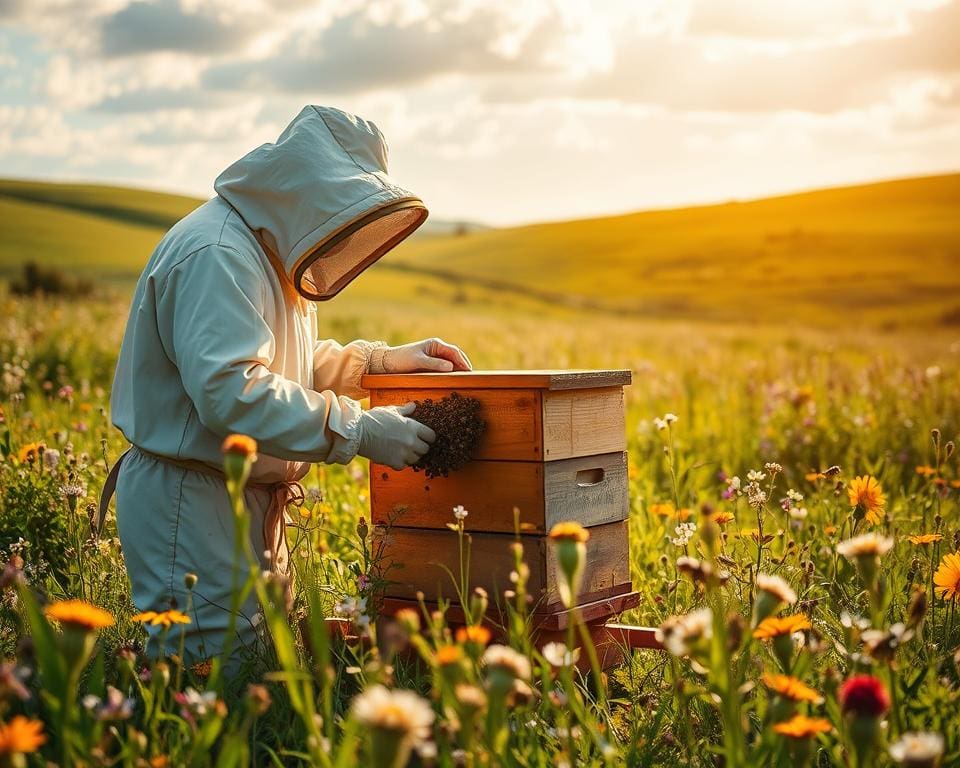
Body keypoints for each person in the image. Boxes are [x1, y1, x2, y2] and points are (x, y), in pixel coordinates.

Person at [103, 105, 471, 661]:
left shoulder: (261, 248)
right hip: (194, 497)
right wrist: (360, 430)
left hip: (240, 496)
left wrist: (377, 363)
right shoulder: (219, 254)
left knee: (259, 672)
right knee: (210, 683)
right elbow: (232, 391)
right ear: (313, 191)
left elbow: (279, 363)